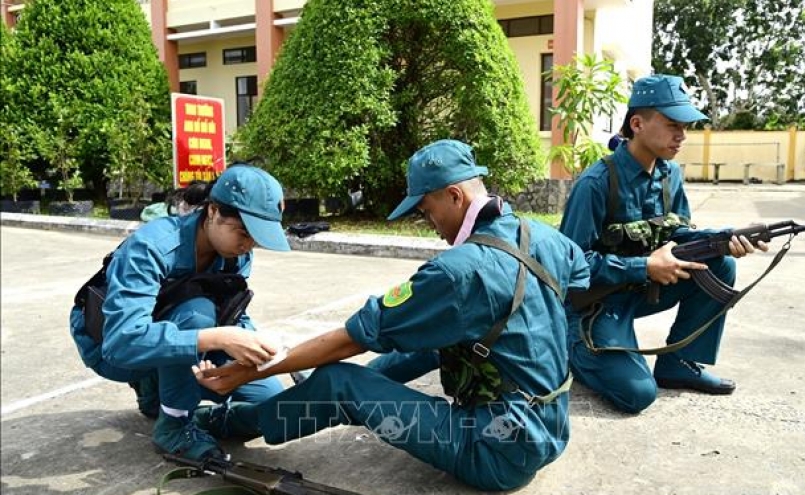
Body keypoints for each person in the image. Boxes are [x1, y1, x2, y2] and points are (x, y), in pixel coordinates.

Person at [190, 139, 591, 491]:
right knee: (430, 342)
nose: (430, 225)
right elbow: (582, 281)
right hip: (549, 431)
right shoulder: (546, 237)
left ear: (454, 195)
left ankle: (229, 422)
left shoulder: (459, 272)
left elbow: (354, 338)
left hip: (491, 449)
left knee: (339, 382)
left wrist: (248, 373)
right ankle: (294, 399)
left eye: (427, 210)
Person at [559, 74, 768, 414]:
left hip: (644, 290)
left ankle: (679, 363)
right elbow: (569, 265)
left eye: (685, 126)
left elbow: (677, 234)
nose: (681, 135)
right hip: (596, 303)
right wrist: (644, 266)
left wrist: (722, 239)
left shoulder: (670, 175)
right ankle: (577, 349)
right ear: (637, 124)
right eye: (673, 124)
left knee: (719, 264)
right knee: (637, 394)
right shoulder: (596, 183)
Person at [69, 165, 291, 461]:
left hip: (172, 331)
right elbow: (120, 343)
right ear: (213, 211)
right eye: (244, 232)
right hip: (106, 343)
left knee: (266, 400)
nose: (248, 245)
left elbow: (230, 310)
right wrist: (217, 338)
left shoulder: (235, 254)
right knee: (196, 314)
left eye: (257, 238)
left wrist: (268, 351)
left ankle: (177, 403)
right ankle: (174, 427)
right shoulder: (152, 247)